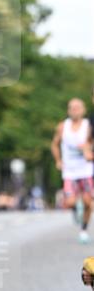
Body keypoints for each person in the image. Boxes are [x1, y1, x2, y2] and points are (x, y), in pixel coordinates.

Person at [51, 98, 94, 243]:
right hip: (70, 171)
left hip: (86, 170)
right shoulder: (63, 127)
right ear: (68, 110)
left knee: (88, 203)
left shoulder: (89, 126)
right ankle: (76, 209)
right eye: (72, 108)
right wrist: (58, 160)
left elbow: (91, 143)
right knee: (69, 202)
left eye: (77, 107)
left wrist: (88, 149)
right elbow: (54, 144)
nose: (75, 110)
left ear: (83, 110)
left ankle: (83, 230)